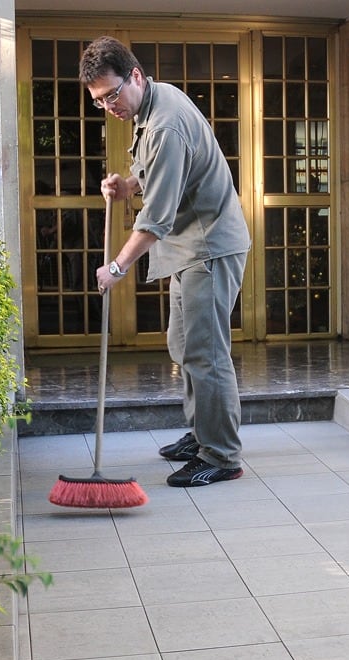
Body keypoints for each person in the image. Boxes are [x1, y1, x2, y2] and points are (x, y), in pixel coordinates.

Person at [79, 36, 250, 487]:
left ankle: (221, 455)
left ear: (135, 75)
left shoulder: (164, 125)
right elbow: (165, 169)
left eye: (112, 95)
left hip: (208, 247)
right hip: (188, 248)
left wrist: (117, 267)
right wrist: (129, 184)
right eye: (99, 101)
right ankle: (203, 431)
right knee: (184, 343)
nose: (109, 107)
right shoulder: (157, 100)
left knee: (206, 353)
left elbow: (155, 221)